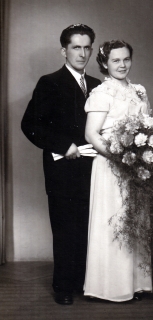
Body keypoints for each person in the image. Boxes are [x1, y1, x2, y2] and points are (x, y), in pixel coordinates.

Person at [21, 24, 101, 305]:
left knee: (88, 227)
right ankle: (64, 287)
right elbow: (29, 124)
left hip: (93, 170)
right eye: (76, 47)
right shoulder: (49, 82)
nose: (82, 53)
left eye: (86, 47)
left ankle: (84, 282)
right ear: (63, 50)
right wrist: (61, 145)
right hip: (62, 171)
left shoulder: (97, 84)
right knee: (66, 229)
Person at [84, 40, 153, 302]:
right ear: (104, 63)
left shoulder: (139, 91)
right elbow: (91, 134)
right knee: (113, 222)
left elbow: (147, 124)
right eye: (115, 60)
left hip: (137, 166)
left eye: (126, 59)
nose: (122, 65)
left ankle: (136, 284)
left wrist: (143, 155)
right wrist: (119, 157)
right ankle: (110, 287)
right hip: (111, 166)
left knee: (135, 221)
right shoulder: (102, 93)